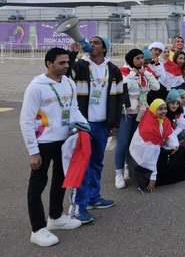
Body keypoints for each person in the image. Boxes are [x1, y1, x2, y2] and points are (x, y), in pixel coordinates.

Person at [20, 48, 87, 247]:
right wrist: (33, 151)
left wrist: (85, 126)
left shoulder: (69, 82)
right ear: (49, 63)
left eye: (67, 62)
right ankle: (38, 229)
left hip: (65, 140)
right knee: (38, 184)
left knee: (61, 179)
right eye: (62, 63)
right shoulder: (36, 86)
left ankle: (56, 217)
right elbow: (26, 121)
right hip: (43, 143)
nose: (67, 66)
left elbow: (74, 110)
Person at [69, 36, 124, 224]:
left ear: (105, 49)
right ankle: (78, 207)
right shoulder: (79, 66)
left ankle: (94, 197)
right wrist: (72, 53)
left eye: (96, 43)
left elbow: (118, 97)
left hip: (102, 123)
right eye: (90, 42)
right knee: (82, 164)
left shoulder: (114, 70)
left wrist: (114, 123)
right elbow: (64, 77)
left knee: (97, 162)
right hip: (83, 123)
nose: (91, 45)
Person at [115, 48, 160, 190]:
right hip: (127, 112)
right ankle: (118, 173)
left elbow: (156, 86)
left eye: (142, 58)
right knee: (122, 142)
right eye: (137, 58)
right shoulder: (123, 72)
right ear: (131, 60)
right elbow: (124, 87)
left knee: (134, 141)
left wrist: (145, 72)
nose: (141, 61)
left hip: (142, 112)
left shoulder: (145, 73)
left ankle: (129, 166)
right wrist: (133, 73)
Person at [128, 99, 185, 192]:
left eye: (165, 109)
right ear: (154, 110)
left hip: (155, 148)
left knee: (180, 150)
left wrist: (174, 145)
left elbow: (170, 133)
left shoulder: (162, 119)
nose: (164, 111)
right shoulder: (148, 127)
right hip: (144, 155)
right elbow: (149, 155)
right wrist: (153, 176)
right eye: (160, 109)